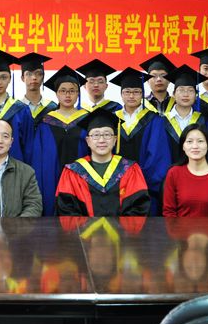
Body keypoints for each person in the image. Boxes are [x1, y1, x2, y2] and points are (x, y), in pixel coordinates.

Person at [55, 108, 150, 216]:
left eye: (107, 135)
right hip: (83, 227)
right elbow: (66, 209)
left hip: (123, 227)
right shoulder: (73, 172)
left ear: (115, 140)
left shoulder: (130, 169)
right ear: (88, 141)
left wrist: (120, 227)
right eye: (96, 135)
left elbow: (139, 207)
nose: (101, 140)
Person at [110, 67, 171, 216]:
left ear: (142, 94)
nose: (131, 96)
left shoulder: (153, 120)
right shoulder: (112, 119)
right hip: (114, 186)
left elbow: (157, 156)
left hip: (145, 186)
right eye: (127, 92)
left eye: (136, 92)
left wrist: (138, 181)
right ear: (121, 94)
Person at [33, 66, 89, 216]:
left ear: (78, 93)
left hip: (81, 176)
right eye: (63, 91)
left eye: (72, 91)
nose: (67, 95)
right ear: (57, 93)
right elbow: (38, 157)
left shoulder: (87, 120)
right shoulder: (45, 121)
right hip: (51, 177)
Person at [162, 64, 208, 167]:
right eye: (181, 90)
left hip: (199, 172)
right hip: (170, 173)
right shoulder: (162, 121)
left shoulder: (204, 121)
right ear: (173, 94)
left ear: (196, 95)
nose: (186, 94)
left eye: (190, 90)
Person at [162, 124, 208, 217]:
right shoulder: (173, 173)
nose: (195, 146)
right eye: (189, 141)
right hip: (180, 227)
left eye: (200, 141)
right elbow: (169, 213)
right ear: (183, 146)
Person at [19, 52, 57, 125]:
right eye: (29, 74)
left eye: (38, 74)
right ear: (22, 78)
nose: (34, 77)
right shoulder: (16, 108)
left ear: (43, 77)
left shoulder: (53, 108)